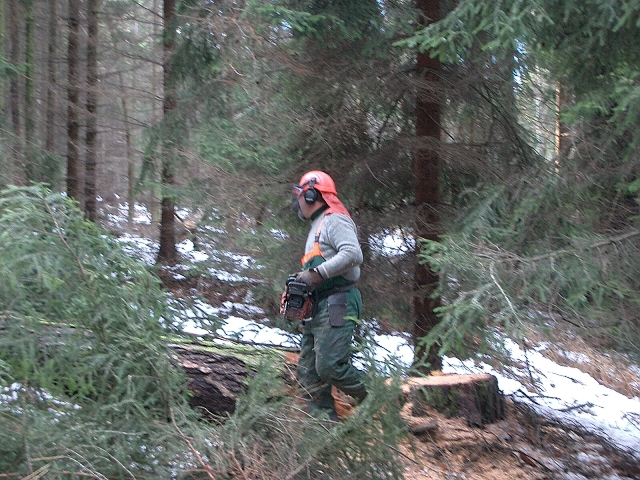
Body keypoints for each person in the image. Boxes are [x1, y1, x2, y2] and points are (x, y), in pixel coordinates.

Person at [289, 170, 367, 421]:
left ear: (312, 194)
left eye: (300, 194)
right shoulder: (318, 224)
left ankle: (379, 397)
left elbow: (353, 254)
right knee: (309, 374)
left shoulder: (335, 220)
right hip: (320, 306)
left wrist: (317, 274)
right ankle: (324, 429)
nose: (298, 200)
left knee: (330, 367)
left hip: (339, 301)